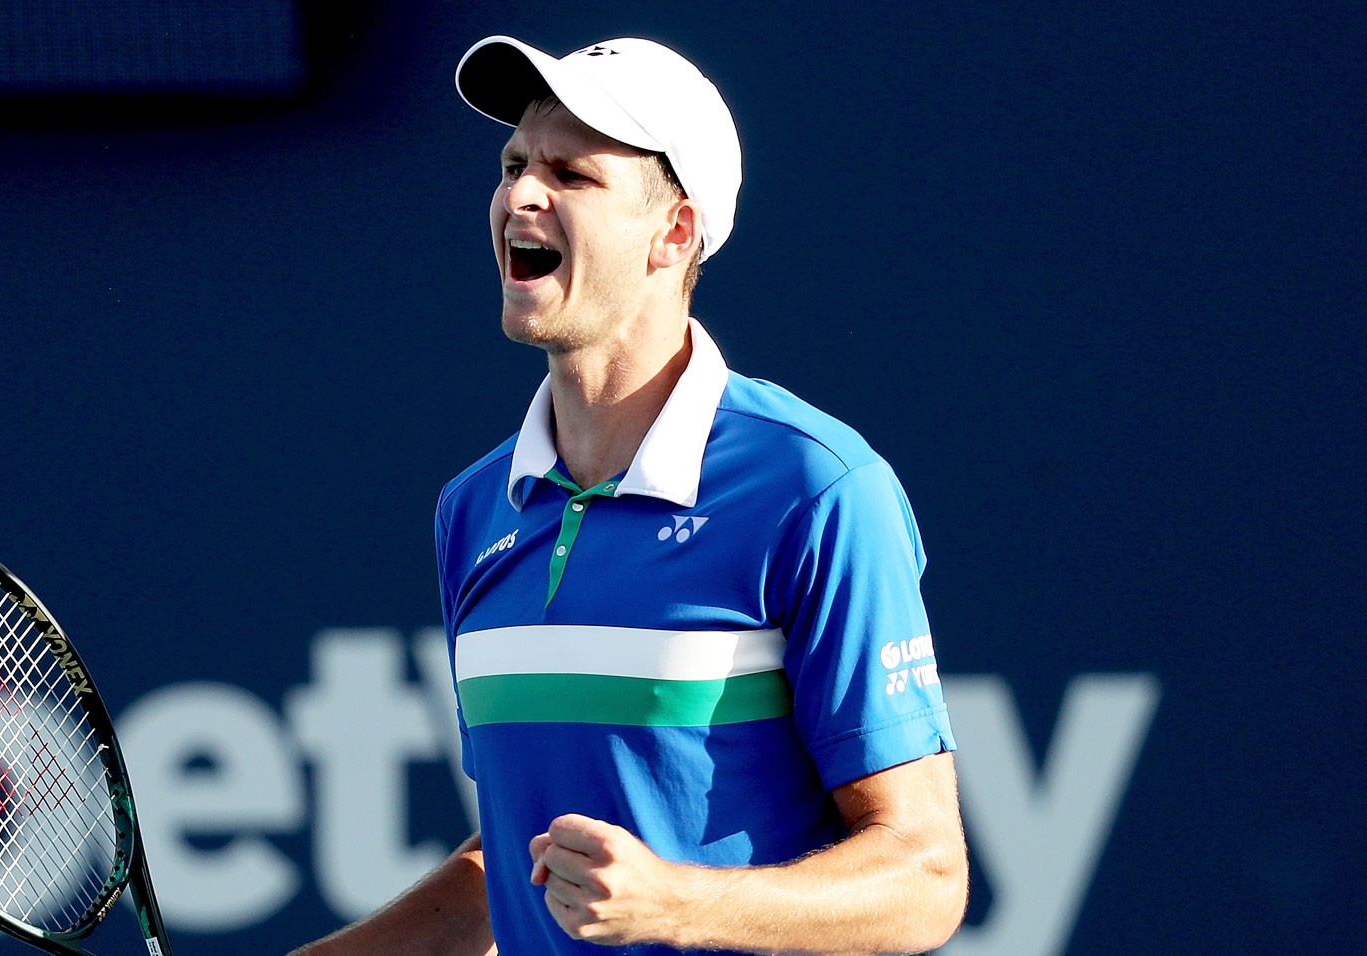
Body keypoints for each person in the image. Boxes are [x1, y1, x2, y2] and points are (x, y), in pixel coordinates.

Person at [292, 35, 966, 956]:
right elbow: (518, 863)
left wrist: (677, 904)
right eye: (514, 166)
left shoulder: (819, 489)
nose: (521, 196)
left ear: (674, 233)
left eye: (570, 174)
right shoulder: (475, 508)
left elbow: (925, 878)